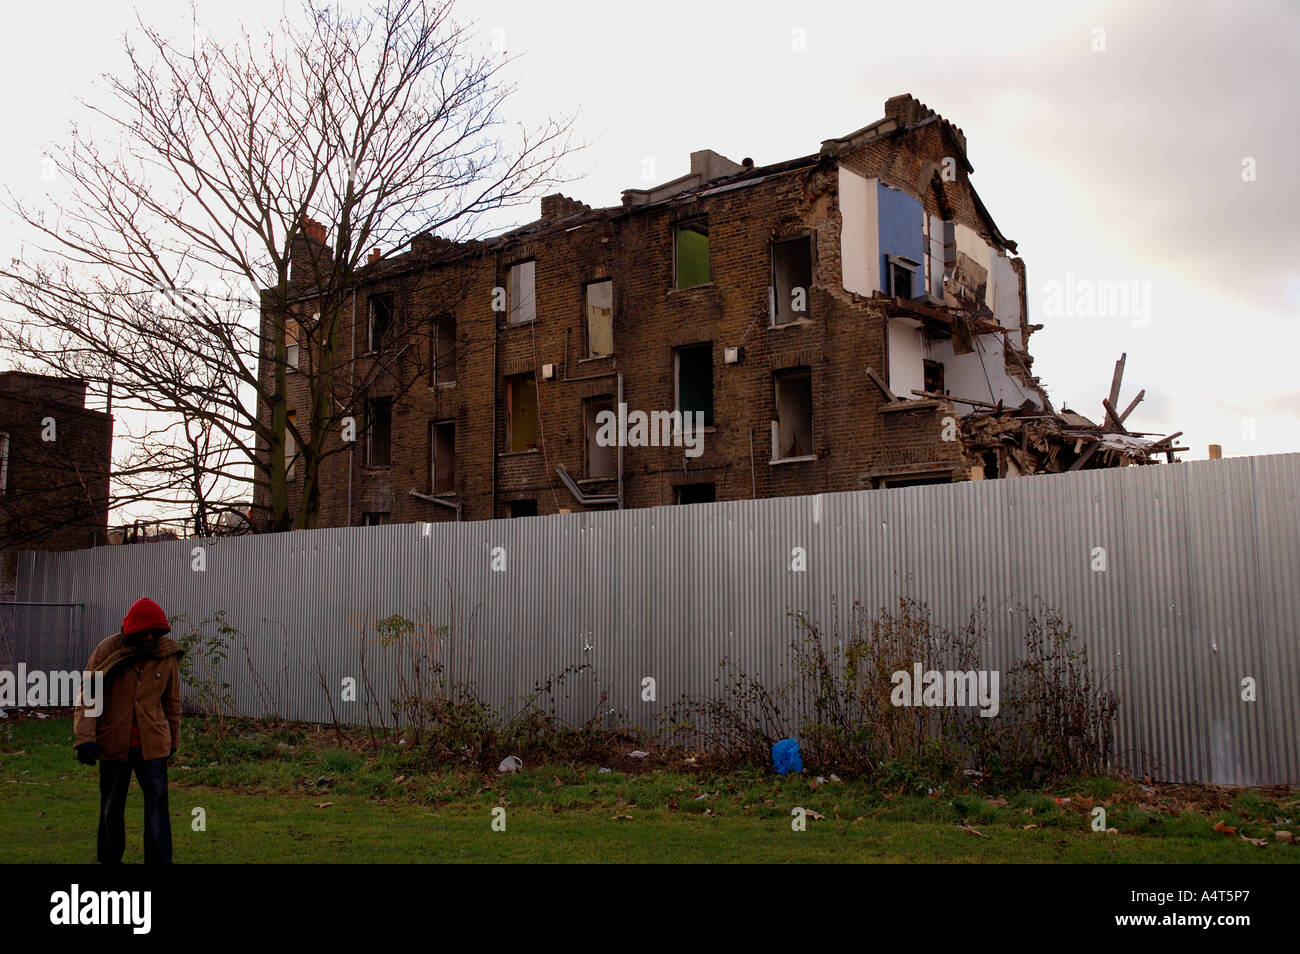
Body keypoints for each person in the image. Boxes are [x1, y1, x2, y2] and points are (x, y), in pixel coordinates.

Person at [73, 597, 184, 864]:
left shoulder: (165, 655)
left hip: (153, 744)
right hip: (114, 743)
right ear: (129, 629)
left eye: (153, 632)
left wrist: (174, 739)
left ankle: (159, 860)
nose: (148, 637)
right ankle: (109, 858)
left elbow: (172, 702)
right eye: (142, 632)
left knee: (157, 805)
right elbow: (88, 695)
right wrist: (85, 738)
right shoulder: (108, 650)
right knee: (111, 806)